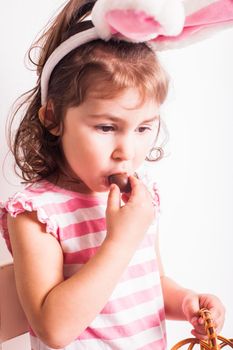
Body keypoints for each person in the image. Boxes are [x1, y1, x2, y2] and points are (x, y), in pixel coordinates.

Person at [0, 1, 226, 349]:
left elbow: (150, 281)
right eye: (107, 127)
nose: (127, 150)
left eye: (143, 128)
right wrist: (120, 241)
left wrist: (185, 301)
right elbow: (54, 329)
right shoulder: (36, 214)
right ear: (53, 118)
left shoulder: (139, 199)